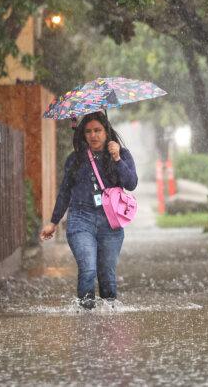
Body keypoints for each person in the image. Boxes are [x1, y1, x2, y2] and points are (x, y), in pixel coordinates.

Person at [40, 111, 138, 309]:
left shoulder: (121, 154)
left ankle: (109, 318)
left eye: (98, 130)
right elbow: (65, 192)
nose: (93, 135)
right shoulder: (75, 159)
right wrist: (53, 221)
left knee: (107, 275)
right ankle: (86, 319)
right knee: (88, 270)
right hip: (80, 219)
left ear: (106, 131)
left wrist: (117, 158)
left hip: (110, 222)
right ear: (83, 134)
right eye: (89, 131)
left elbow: (132, 183)